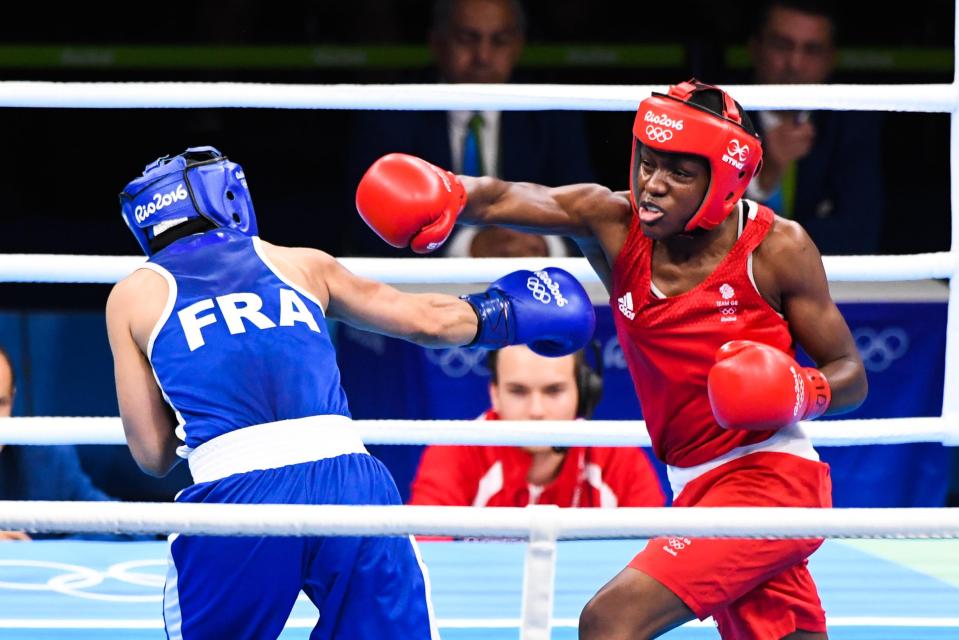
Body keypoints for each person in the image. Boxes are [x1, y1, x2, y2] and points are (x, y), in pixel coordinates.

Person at [355, 78, 869, 638]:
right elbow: (510, 197)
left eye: (680, 173)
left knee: (609, 621)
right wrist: (448, 192)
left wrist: (798, 388)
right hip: (694, 483)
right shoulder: (613, 223)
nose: (653, 185)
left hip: (772, 481)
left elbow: (851, 373)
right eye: (647, 162)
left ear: (724, 181)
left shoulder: (777, 249)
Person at [105, 145, 596, 639]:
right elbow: (426, 320)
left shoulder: (134, 295)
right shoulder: (298, 264)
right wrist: (507, 313)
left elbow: (151, 454)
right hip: (350, 483)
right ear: (228, 197)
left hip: (235, 496)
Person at [344, 0, 592, 258]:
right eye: (467, 39)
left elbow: (587, 211)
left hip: (537, 277)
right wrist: (467, 248)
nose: (483, 57)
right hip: (425, 286)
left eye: (499, 41)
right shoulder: (393, 113)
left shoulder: (552, 112)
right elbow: (368, 229)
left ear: (518, 45)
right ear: (437, 42)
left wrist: (545, 246)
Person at [409, 344, 664, 507]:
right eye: (518, 391)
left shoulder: (620, 461)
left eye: (553, 391)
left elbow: (655, 567)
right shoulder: (454, 452)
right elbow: (425, 557)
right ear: (495, 394)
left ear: (584, 393)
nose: (536, 411)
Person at [744, 0, 884, 255]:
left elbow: (859, 233)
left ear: (831, 59)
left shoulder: (851, 122)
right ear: (754, 48)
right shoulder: (717, 112)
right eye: (782, 45)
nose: (795, 64)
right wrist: (764, 175)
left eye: (812, 50)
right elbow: (702, 235)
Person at [0, 345, 118, 541]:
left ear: (12, 400)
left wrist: (39, 553)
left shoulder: (46, 461)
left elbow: (123, 530)